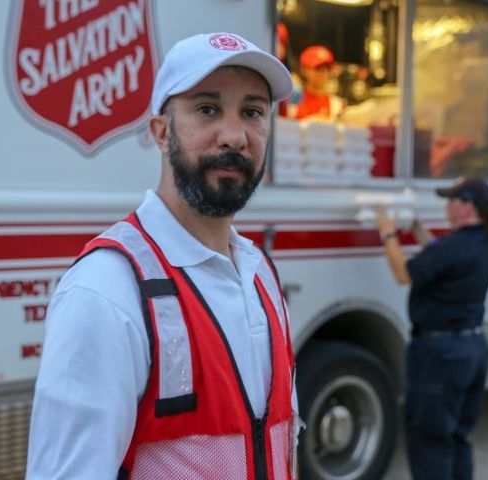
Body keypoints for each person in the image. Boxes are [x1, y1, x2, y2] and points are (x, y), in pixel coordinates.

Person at [26, 32, 300, 479]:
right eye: (207, 109)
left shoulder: (260, 274)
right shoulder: (106, 290)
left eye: (252, 112)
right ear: (161, 131)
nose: (234, 136)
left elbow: (283, 443)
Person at [375, 177, 488, 480]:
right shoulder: (483, 242)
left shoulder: (454, 247)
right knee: (457, 438)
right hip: (472, 351)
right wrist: (418, 229)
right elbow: (440, 258)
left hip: (440, 356)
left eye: (451, 199)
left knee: (430, 442)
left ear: (466, 207)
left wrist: (387, 233)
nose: (446, 205)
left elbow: (403, 273)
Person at [294, 45, 344, 121]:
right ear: (304, 70)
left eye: (327, 68)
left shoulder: (337, 105)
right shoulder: (292, 100)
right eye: (318, 68)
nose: (323, 73)